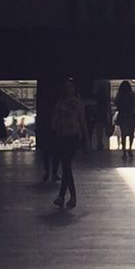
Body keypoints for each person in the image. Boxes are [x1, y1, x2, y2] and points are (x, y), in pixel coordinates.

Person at [51, 80, 89, 209]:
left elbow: (82, 120)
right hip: (61, 135)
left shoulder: (77, 103)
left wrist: (86, 140)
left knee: (66, 165)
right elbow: (55, 118)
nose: (68, 88)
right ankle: (67, 197)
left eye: (70, 86)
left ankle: (66, 196)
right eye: (66, 86)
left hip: (72, 136)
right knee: (66, 167)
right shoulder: (60, 102)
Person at [114, 80, 135, 160]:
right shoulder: (132, 95)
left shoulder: (119, 95)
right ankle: (129, 148)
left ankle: (124, 151)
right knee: (131, 134)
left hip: (123, 116)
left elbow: (116, 103)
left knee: (123, 134)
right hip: (130, 116)